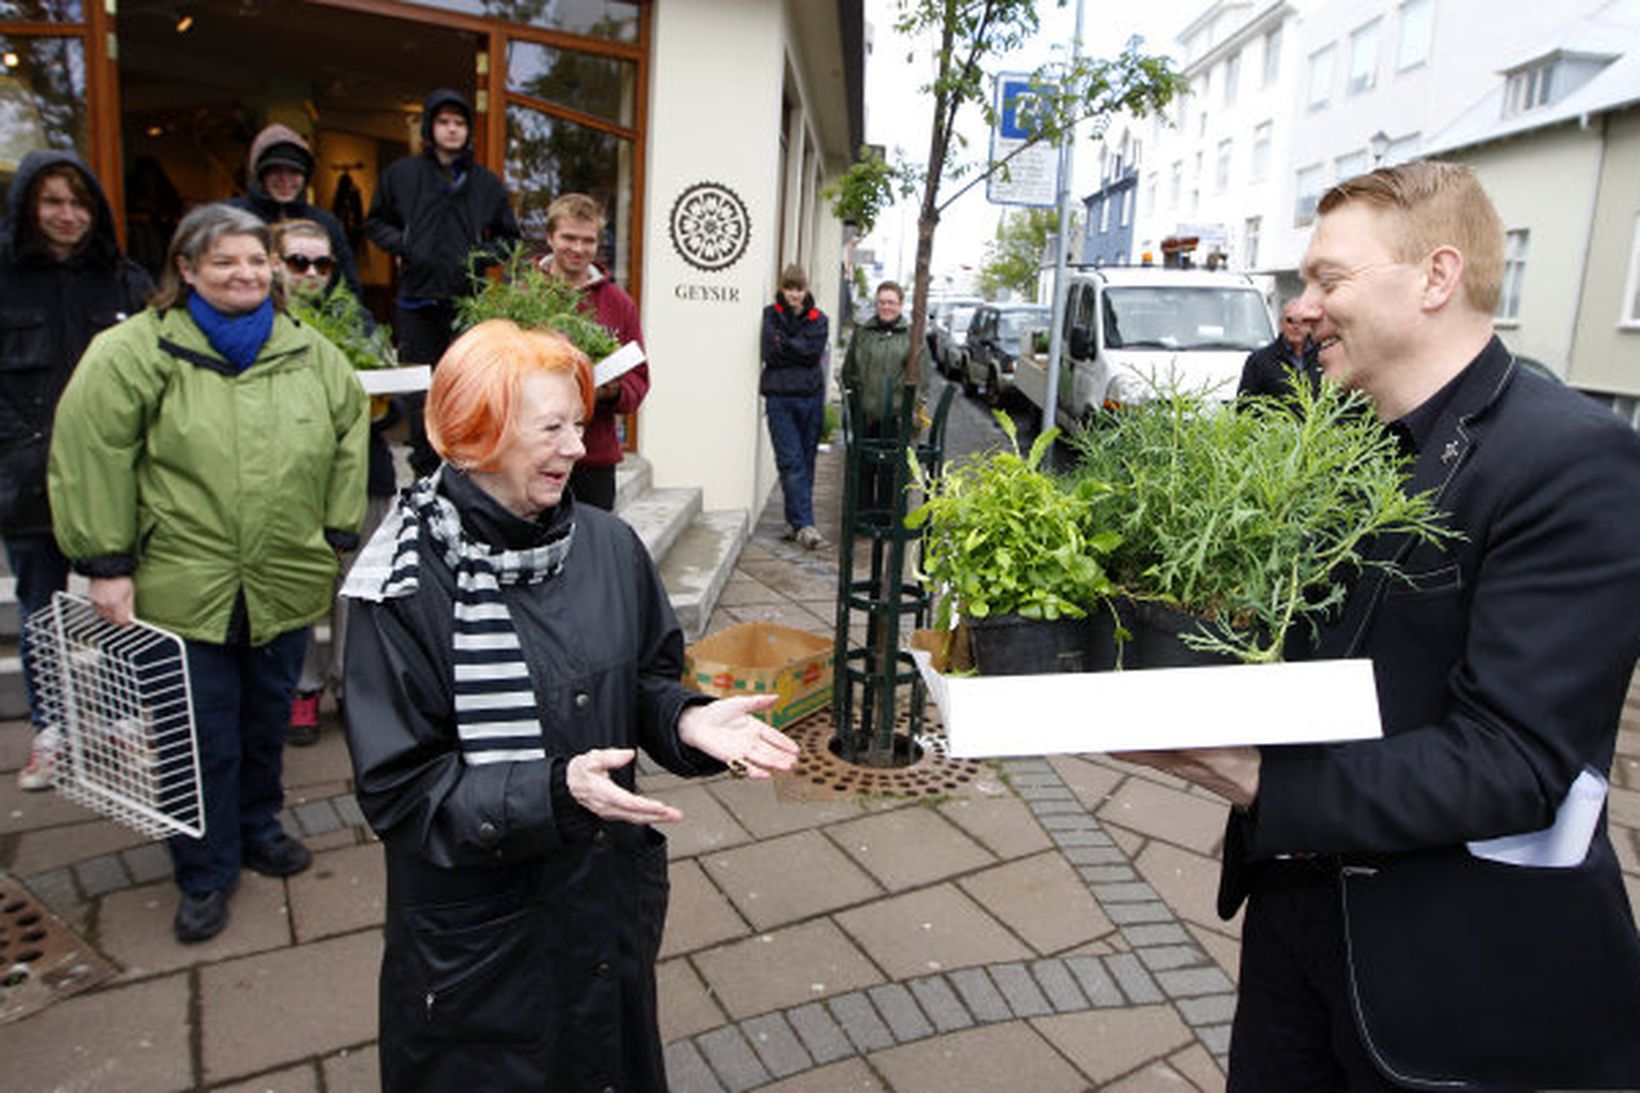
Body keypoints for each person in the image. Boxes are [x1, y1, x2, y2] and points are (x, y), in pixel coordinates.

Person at [1124, 162, 1640, 1089]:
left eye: (1329, 278)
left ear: (1436, 278)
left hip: (1448, 977)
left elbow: (1513, 761)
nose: (1303, 305)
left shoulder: (1574, 461)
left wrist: (1248, 773)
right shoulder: (1340, 440)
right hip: (1293, 920)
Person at [339, 319, 799, 1091]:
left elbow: (645, 677)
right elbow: (400, 788)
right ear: (475, 432)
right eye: (551, 427)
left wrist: (682, 718)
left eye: (578, 425)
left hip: (603, 910)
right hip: (480, 947)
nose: (576, 449)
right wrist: (554, 791)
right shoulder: (404, 584)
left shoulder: (609, 547)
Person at [49, 203, 369, 944]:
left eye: (257, 260)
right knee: (196, 734)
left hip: (283, 576)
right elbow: (92, 448)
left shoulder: (308, 352)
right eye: (224, 260)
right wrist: (105, 562)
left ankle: (258, 827)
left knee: (264, 722)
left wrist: (334, 529)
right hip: (180, 582)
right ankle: (203, 868)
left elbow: (350, 428)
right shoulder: (134, 352)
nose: (245, 273)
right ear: (186, 269)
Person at [0, 150, 153, 791]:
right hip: (27, 472)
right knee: (39, 608)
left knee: (118, 601)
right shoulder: (5, 278)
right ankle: (54, 729)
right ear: (30, 209)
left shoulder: (124, 281)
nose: (67, 216)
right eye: (52, 202)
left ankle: (122, 721)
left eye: (78, 203)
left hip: (114, 477)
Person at [271, 219, 401, 745]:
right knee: (303, 589)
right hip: (295, 480)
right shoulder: (267, 328)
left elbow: (394, 410)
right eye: (298, 261)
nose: (310, 274)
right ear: (276, 263)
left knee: (356, 590)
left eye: (321, 264)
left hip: (364, 474)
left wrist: (380, 401)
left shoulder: (359, 322)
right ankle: (303, 690)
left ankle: (351, 686)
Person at [366, 89, 519, 476]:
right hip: (417, 301)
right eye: (444, 122)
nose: (452, 130)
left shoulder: (485, 183)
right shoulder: (402, 175)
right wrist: (404, 245)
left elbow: (509, 239)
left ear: (468, 131)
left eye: (460, 123)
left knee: (466, 387)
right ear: (431, 128)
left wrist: (477, 259)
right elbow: (376, 222)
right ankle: (424, 471)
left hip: (467, 305)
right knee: (423, 391)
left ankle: (463, 466)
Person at [535, 192, 647, 511]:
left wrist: (613, 392)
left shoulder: (619, 303)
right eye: (568, 238)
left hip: (592, 456)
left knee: (591, 552)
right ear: (550, 237)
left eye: (589, 240)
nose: (579, 249)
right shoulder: (523, 295)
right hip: (534, 453)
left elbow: (639, 379)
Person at [226, 123, 361, 299]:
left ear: (306, 178)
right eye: (275, 171)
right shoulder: (229, 218)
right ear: (260, 175)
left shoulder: (326, 223)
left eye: (294, 172)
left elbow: (347, 286)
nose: (285, 180)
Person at [761, 263, 830, 548]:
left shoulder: (819, 319)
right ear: (782, 289)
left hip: (810, 396)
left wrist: (787, 344)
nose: (794, 294)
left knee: (806, 461)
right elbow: (771, 353)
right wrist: (796, 347)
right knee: (790, 462)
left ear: (806, 289)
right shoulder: (770, 315)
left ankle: (794, 521)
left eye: (799, 289)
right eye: (789, 288)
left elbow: (812, 353)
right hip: (779, 397)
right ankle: (806, 526)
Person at [840, 280, 921, 511]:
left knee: (891, 472)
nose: (886, 307)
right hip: (865, 414)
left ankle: (887, 517)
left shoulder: (911, 337)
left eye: (891, 302)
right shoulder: (863, 333)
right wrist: (854, 399)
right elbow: (849, 369)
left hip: (895, 417)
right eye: (882, 302)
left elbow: (920, 380)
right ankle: (862, 516)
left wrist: (910, 411)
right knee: (862, 469)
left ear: (900, 305)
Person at [1237, 297, 1320, 400]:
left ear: (1311, 326)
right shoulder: (1259, 361)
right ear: (1281, 323)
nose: (1296, 326)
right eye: (1290, 320)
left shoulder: (1324, 357)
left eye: (1303, 321)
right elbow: (1245, 404)